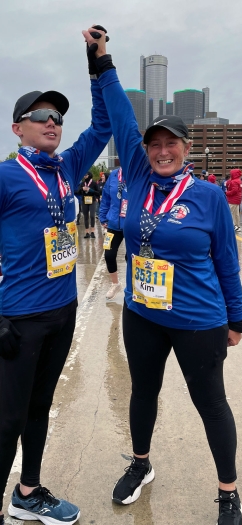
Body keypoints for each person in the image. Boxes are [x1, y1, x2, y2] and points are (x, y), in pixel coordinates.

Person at [87, 27, 242, 524]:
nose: (160, 151)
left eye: (170, 144)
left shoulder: (208, 197)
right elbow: (118, 116)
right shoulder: (135, 176)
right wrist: (101, 61)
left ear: (186, 146)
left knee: (211, 404)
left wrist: (236, 317)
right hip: (143, 313)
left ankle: (228, 493)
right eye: (154, 143)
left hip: (199, 318)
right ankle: (141, 464)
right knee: (142, 392)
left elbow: (226, 259)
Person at [0, 26, 112, 525]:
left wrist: (97, 65)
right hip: (17, 318)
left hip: (61, 311)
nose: (54, 123)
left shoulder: (66, 169)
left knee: (40, 409)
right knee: (7, 420)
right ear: (17, 128)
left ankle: (28, 492)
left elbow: (104, 122)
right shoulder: (5, 177)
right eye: (42, 115)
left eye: (59, 117)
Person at [99, 166, 128, 299]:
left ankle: (133, 285)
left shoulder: (139, 172)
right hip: (113, 223)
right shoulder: (114, 175)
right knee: (109, 254)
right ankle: (115, 284)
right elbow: (106, 197)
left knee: (131, 257)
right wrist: (103, 216)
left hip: (132, 224)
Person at [77, 172, 99, 238]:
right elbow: (78, 192)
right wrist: (82, 189)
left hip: (92, 201)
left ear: (89, 175)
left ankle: (92, 232)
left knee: (92, 216)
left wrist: (91, 190)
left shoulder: (94, 183)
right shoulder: (82, 183)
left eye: (85, 175)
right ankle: (87, 232)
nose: (84, 176)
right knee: (85, 216)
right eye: (84, 175)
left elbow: (98, 193)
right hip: (84, 201)